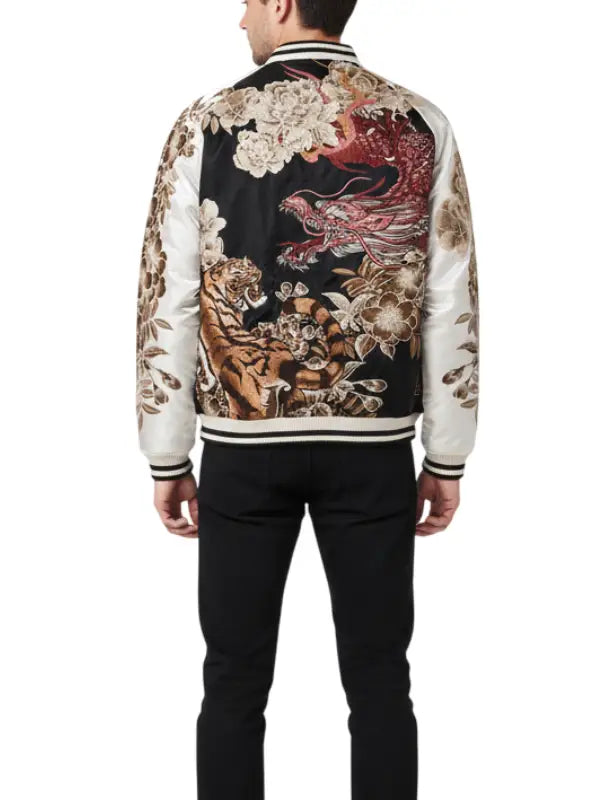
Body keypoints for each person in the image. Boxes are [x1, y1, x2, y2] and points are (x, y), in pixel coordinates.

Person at [135, 0, 479, 797]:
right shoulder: (421, 120)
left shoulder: (204, 124)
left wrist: (166, 454)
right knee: (380, 680)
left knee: (233, 680)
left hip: (243, 444)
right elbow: (451, 295)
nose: (241, 19)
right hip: (373, 448)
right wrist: (448, 453)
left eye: (249, 2)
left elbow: (168, 296)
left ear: (283, 3)